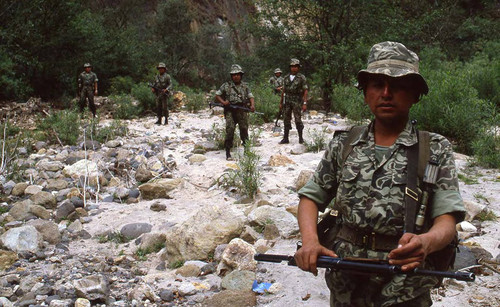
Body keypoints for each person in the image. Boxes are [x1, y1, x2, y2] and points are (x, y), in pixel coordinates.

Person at [295, 41, 465, 306]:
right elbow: (311, 198)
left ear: (415, 94)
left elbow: (447, 219)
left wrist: (426, 243)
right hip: (345, 280)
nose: (386, 93)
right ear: (365, 93)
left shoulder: (434, 149)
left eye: (397, 85)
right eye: (377, 85)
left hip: (405, 286)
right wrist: (310, 242)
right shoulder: (344, 143)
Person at [215, 64, 255, 160]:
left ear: (241, 75)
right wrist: (224, 102)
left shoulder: (245, 86)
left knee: (244, 130)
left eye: (238, 74)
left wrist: (252, 105)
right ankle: (228, 152)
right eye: (234, 75)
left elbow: (251, 96)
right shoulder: (226, 85)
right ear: (231, 76)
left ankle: (247, 151)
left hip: (242, 110)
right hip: (230, 111)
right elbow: (217, 95)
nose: (236, 76)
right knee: (230, 130)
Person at [279, 58, 308, 144]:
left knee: (298, 119)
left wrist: (305, 103)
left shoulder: (301, 77)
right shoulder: (286, 77)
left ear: (298, 68)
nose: (294, 68)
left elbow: (305, 90)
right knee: (286, 119)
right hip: (287, 100)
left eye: (296, 66)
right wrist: (280, 103)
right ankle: (285, 138)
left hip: (297, 100)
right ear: (290, 67)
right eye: (292, 66)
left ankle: (301, 138)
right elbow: (283, 90)